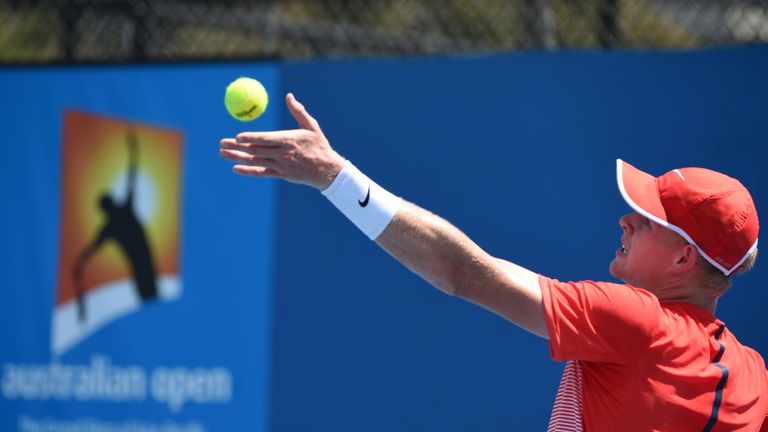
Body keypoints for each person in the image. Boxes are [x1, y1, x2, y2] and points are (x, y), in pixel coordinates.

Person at [219, 93, 767, 431]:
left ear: (682, 257)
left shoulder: (637, 321)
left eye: (644, 220)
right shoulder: (754, 380)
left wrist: (334, 177)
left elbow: (463, 272)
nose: (625, 221)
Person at [73, 131, 158, 322]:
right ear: (108, 208)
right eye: (109, 203)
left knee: (154, 308)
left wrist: (133, 151)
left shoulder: (117, 218)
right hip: (142, 271)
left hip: (146, 268)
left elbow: (132, 175)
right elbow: (132, 175)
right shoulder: (113, 223)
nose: (112, 203)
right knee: (150, 309)